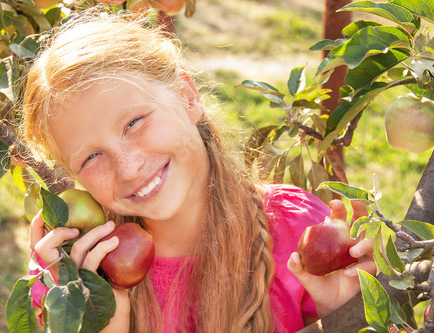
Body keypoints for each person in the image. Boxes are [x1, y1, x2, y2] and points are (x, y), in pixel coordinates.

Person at [22, 8, 376, 333]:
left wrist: (347, 314)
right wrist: (102, 319)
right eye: (91, 157)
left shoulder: (297, 235)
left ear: (188, 98)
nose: (128, 168)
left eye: (133, 122)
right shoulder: (74, 279)